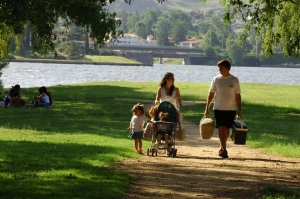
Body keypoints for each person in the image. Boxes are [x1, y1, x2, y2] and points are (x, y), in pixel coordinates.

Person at [204, 59, 242, 159]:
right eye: (219, 68)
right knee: (221, 128)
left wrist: (240, 109)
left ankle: (222, 147)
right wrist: (207, 107)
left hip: (231, 109)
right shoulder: (216, 79)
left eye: (221, 68)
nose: (219, 69)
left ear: (227, 68)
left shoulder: (234, 80)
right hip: (218, 108)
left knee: (226, 130)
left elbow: (238, 96)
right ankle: (224, 150)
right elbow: (211, 94)